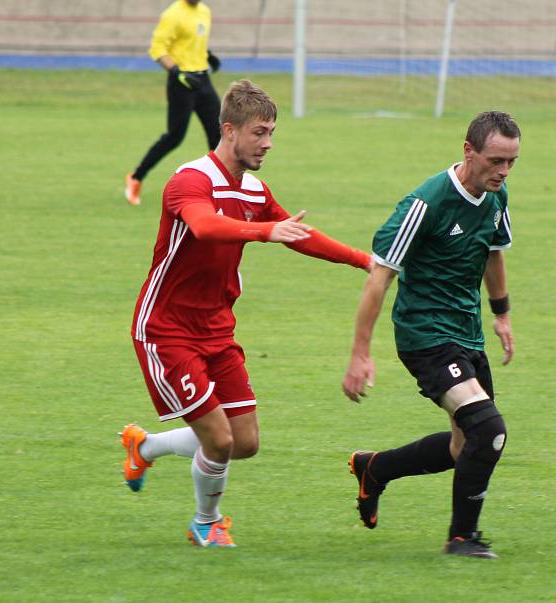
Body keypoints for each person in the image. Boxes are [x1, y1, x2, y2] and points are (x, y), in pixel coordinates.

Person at [121, 79, 371, 548]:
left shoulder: (254, 190)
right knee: (218, 440)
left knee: (245, 441)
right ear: (229, 130)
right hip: (166, 329)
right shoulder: (190, 180)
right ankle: (205, 524)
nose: (268, 143)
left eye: (272, 132)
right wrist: (262, 233)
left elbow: (297, 233)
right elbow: (204, 224)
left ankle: (145, 446)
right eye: (260, 132)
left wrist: (364, 260)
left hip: (217, 327)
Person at [342, 111, 520, 559]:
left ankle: (374, 468)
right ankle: (462, 538)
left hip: (467, 334)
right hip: (425, 337)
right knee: (489, 430)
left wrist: (501, 314)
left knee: (466, 446)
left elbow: (493, 253)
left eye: (511, 162)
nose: (502, 171)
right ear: (468, 150)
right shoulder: (425, 204)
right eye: (495, 160)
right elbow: (377, 279)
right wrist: (360, 354)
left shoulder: (496, 198)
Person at [124, 0, 224, 206]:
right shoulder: (173, 14)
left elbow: (191, 41)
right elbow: (157, 49)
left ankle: (222, 188)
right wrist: (176, 71)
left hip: (202, 79)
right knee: (175, 136)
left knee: (219, 133)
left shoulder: (204, 11)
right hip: (181, 82)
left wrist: (208, 55)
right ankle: (136, 177)